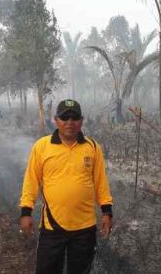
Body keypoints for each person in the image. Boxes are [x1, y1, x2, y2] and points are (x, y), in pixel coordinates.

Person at [19, 99, 114, 274]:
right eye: (65, 117)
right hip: (52, 227)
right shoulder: (42, 147)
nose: (70, 122)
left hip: (85, 228)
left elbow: (101, 182)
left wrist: (107, 211)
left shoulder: (92, 147)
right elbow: (31, 181)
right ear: (56, 120)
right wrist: (26, 212)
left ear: (82, 120)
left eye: (75, 117)